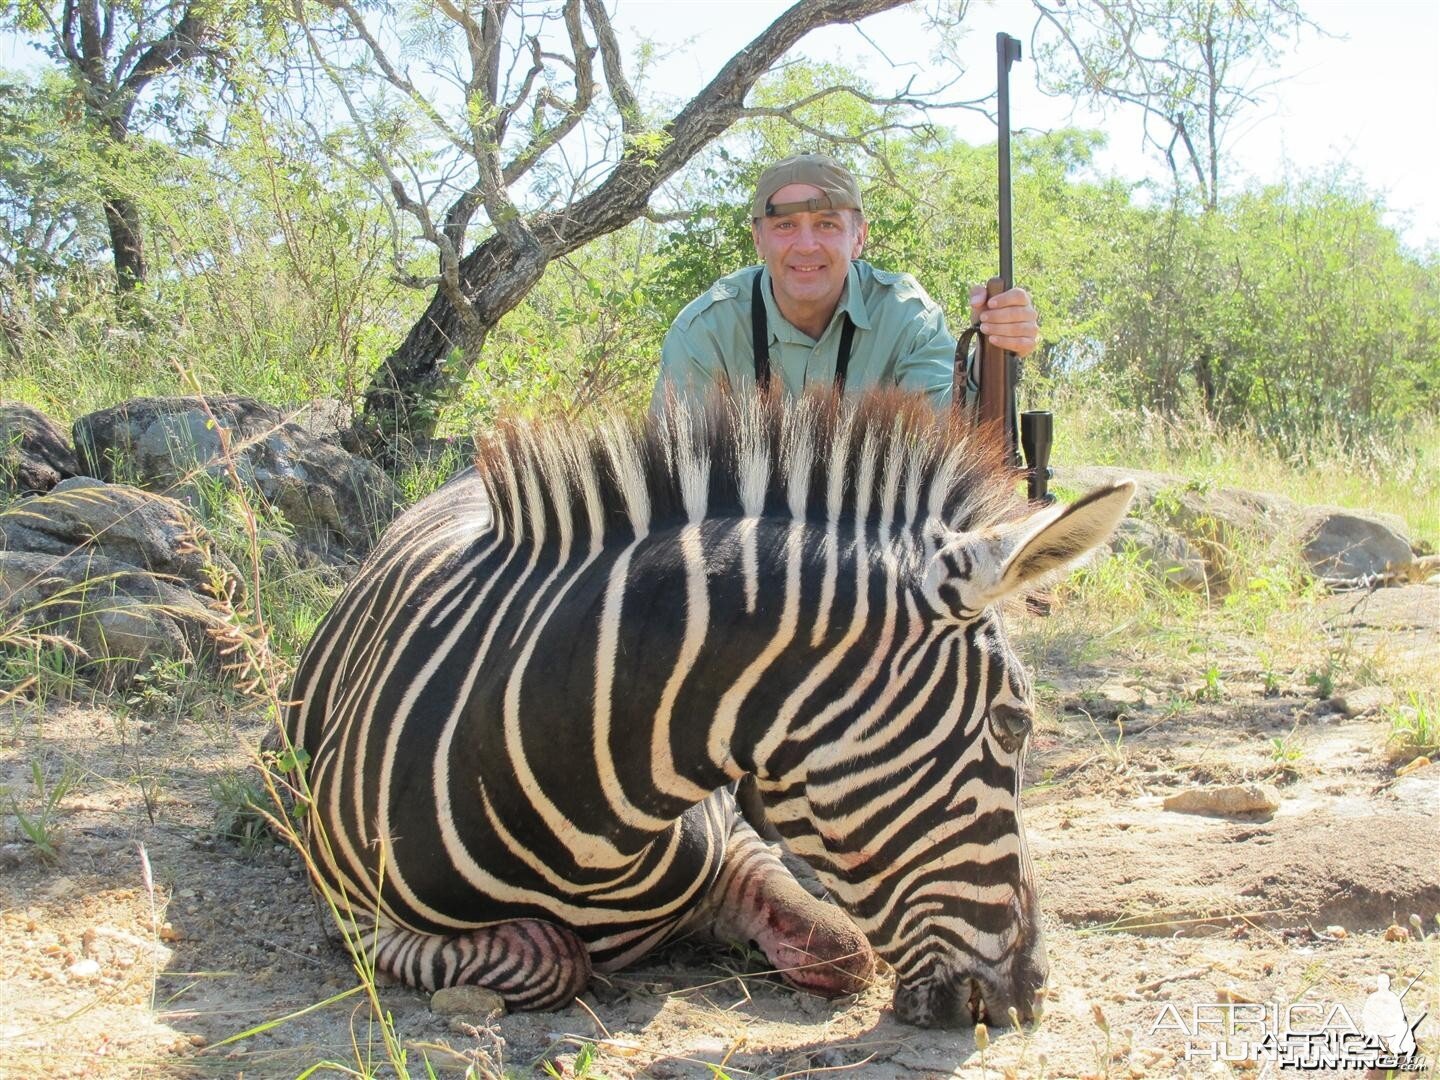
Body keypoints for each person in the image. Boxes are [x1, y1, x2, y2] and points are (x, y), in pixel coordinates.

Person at [651, 153, 1040, 411]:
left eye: (827, 225)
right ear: (758, 239)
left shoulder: (907, 318)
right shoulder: (704, 332)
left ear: (858, 237)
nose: (806, 246)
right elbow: (676, 475)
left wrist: (992, 354)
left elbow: (945, 429)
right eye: (785, 225)